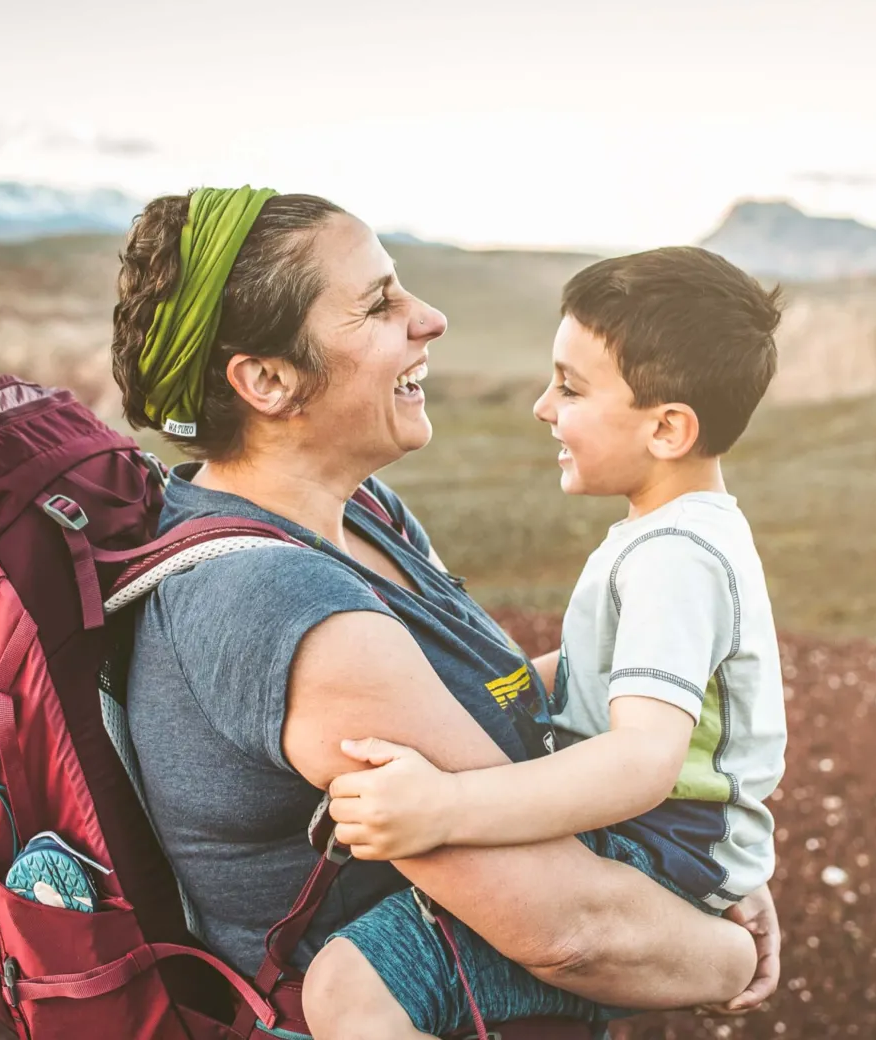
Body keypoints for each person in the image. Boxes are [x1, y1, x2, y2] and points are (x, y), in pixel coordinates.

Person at [113, 187, 781, 1036]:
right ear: (268, 381)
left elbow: (508, 700)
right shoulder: (283, 608)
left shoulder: (366, 514)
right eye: (379, 304)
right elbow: (573, 932)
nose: (428, 318)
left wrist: (703, 839)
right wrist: (727, 952)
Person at [308, 247, 789, 1038]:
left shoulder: (674, 558)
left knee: (351, 991)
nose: (542, 406)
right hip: (672, 849)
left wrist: (446, 806)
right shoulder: (681, 537)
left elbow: (642, 759)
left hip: (650, 853)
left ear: (667, 428)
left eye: (570, 386)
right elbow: (603, 676)